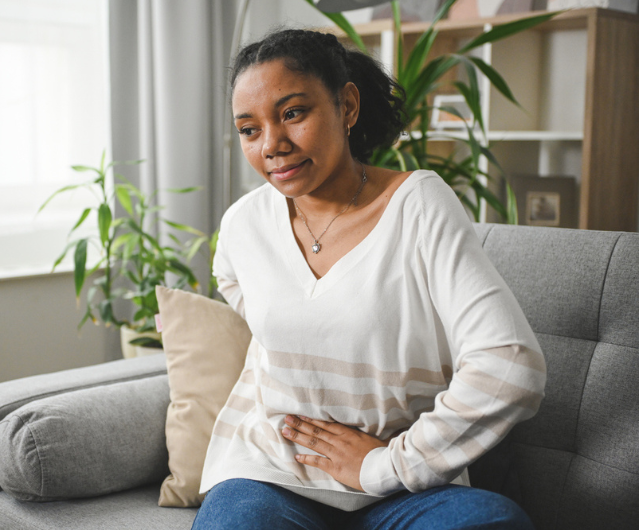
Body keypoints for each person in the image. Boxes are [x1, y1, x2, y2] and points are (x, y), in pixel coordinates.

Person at [192, 29, 546, 530]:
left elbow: (511, 366)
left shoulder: (419, 205)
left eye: (293, 113)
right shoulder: (243, 226)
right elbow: (249, 303)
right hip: (271, 477)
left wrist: (384, 464)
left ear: (348, 106)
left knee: (492, 523)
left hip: (405, 485)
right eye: (250, 129)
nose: (273, 145)